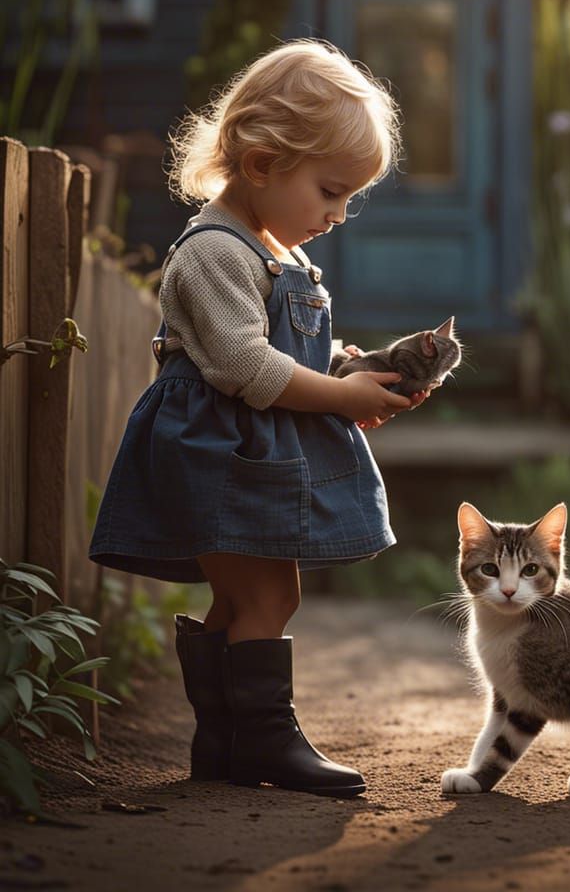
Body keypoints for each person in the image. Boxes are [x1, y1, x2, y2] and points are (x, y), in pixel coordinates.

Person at [89, 39, 424, 798]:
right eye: (331, 191)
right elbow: (243, 366)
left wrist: (347, 372)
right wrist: (338, 400)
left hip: (247, 449)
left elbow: (283, 351)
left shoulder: (277, 253)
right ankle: (266, 744)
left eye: (349, 201)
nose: (338, 216)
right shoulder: (213, 252)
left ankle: (228, 745)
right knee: (270, 596)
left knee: (248, 597)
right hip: (216, 453)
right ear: (263, 162)